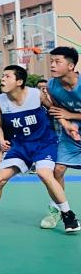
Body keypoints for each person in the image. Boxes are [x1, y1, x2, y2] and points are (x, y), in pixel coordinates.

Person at [0, 65, 78, 233]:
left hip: (44, 143)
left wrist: (67, 125)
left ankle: (68, 215)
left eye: (7, 76)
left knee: (44, 174)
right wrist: (1, 139)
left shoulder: (36, 95)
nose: (2, 79)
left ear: (19, 81)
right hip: (20, 146)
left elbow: (54, 110)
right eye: (3, 76)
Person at [40, 46, 81, 229]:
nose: (52, 65)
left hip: (74, 121)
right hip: (71, 130)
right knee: (58, 170)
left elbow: (66, 112)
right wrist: (68, 124)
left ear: (71, 66)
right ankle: (57, 209)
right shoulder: (52, 86)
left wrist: (70, 115)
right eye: (51, 61)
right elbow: (58, 110)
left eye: (57, 62)